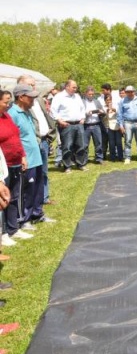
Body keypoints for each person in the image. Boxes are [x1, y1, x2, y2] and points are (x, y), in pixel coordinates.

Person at [0, 89, 33, 246]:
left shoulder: (6, 116)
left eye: (9, 102)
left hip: (15, 162)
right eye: (5, 102)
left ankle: (13, 228)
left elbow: (16, 136)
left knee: (14, 196)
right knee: (3, 199)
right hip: (3, 166)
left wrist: (22, 156)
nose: (8, 105)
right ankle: (3, 232)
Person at [17, 75, 55, 206]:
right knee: (31, 175)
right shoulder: (19, 107)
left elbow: (46, 117)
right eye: (30, 85)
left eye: (34, 84)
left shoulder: (38, 100)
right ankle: (32, 203)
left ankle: (44, 197)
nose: (34, 87)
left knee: (43, 171)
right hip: (33, 143)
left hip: (44, 139)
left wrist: (50, 135)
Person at [50, 80, 87, 173]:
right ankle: (67, 166)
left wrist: (83, 117)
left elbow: (82, 108)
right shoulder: (59, 97)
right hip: (66, 125)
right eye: (73, 87)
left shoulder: (77, 96)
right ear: (67, 87)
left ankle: (81, 164)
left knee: (81, 145)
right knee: (67, 146)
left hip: (79, 124)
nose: (75, 89)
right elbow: (53, 110)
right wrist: (59, 120)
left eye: (76, 87)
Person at [118, 85, 137, 164]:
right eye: (127, 92)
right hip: (127, 123)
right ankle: (127, 157)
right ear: (125, 92)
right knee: (127, 141)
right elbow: (120, 114)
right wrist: (121, 125)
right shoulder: (122, 101)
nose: (130, 93)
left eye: (131, 91)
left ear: (134, 92)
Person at [82, 86, 105, 165]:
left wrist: (101, 112)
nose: (91, 95)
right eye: (89, 94)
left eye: (92, 94)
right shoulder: (82, 102)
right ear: (85, 94)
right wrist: (87, 114)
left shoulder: (97, 102)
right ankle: (84, 159)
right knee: (85, 144)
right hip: (86, 125)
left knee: (98, 143)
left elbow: (103, 112)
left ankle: (99, 158)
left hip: (96, 125)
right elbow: (79, 113)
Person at [102, 94, 123, 162]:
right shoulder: (103, 108)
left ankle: (120, 157)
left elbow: (120, 115)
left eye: (109, 100)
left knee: (118, 142)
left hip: (117, 126)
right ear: (105, 101)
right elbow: (103, 119)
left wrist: (115, 110)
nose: (108, 101)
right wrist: (106, 112)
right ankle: (112, 157)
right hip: (109, 127)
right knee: (111, 143)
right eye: (107, 100)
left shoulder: (116, 106)